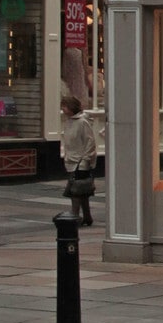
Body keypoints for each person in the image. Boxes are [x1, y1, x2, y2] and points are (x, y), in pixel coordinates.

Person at [61, 94, 98, 226]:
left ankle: (75, 216)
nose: (63, 109)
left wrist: (85, 160)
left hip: (80, 162)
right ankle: (87, 217)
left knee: (76, 191)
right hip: (71, 160)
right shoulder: (68, 122)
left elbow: (90, 142)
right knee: (82, 192)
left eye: (65, 106)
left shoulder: (83, 122)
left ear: (72, 107)